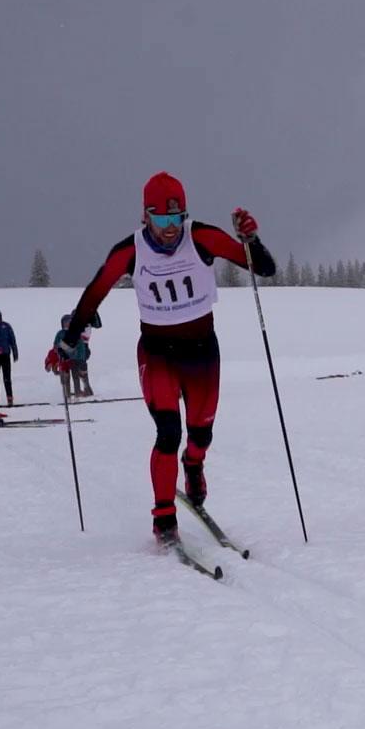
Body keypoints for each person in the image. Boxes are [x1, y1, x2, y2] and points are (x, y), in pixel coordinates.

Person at [60, 171, 276, 543]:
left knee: (201, 432)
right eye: (160, 219)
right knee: (167, 432)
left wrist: (251, 239)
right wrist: (67, 340)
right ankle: (163, 515)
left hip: (201, 352)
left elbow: (264, 268)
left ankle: (193, 465)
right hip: (158, 353)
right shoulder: (130, 251)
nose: (170, 228)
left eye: (176, 218)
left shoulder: (201, 237)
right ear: (145, 216)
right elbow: (95, 292)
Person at [51, 314, 92, 397]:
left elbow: (75, 347)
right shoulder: (60, 333)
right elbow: (56, 344)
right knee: (65, 377)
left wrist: (62, 347)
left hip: (76, 359)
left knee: (76, 376)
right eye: (65, 322)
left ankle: (78, 392)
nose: (67, 324)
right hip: (64, 360)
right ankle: (67, 394)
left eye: (69, 322)